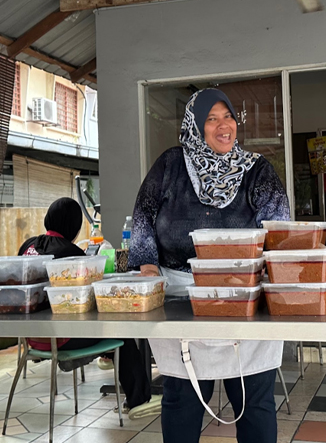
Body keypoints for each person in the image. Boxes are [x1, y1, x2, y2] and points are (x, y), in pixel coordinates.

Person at [128, 88, 291, 443]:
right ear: (195, 126)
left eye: (228, 117)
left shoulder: (257, 171)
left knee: (253, 400)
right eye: (211, 119)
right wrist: (146, 265)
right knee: (181, 399)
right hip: (179, 298)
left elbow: (279, 227)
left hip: (242, 296)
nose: (223, 126)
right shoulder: (171, 164)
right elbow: (143, 214)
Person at [19, 197, 161, 419]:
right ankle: (139, 400)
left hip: (31, 336)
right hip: (61, 337)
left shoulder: (28, 245)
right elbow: (90, 297)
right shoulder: (71, 252)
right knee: (119, 332)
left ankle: (108, 356)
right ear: (74, 226)